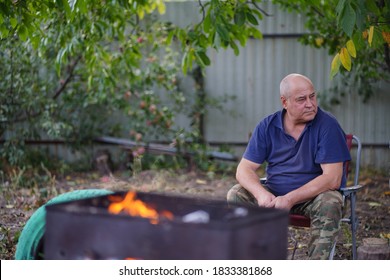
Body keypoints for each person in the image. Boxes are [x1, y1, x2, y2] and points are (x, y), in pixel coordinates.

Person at [227, 73, 351, 260]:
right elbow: (243, 169)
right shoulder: (267, 126)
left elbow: (332, 178)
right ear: (284, 102)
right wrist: (262, 195)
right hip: (274, 197)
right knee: (236, 194)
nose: (310, 104)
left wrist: (290, 199)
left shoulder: (327, 125)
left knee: (331, 202)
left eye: (312, 96)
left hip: (313, 198)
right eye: (301, 99)